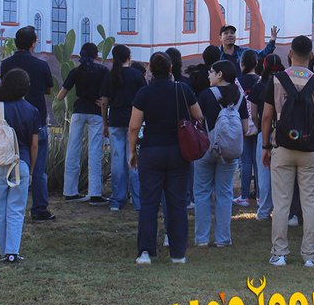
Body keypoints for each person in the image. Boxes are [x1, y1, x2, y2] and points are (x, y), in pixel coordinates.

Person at [261, 36, 314, 267]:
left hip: (282, 147)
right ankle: (310, 255)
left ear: (290, 53)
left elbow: (266, 116)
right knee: (310, 202)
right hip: (311, 148)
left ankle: (280, 253)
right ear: (311, 56)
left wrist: (265, 146)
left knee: (282, 202)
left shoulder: (276, 80)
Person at [129, 52, 203, 264]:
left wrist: (132, 152)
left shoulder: (144, 93)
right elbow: (198, 115)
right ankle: (178, 253)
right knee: (177, 202)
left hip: (151, 151)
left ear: (151, 69)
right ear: (170, 68)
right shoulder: (183, 89)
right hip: (178, 151)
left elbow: (134, 126)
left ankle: (145, 251)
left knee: (149, 202)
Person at [0, 69, 40, 264]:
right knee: (16, 209)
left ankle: (3, 251)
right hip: (21, 164)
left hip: (0, 163)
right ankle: (12, 252)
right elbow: (34, 144)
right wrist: (31, 169)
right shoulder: (32, 111)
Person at [0, 26, 56, 221]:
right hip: (37, 121)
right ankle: (39, 209)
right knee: (39, 169)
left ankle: (8, 205)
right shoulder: (41, 65)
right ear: (34, 43)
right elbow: (49, 89)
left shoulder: (6, 64)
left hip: (11, 121)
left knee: (8, 164)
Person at [194, 60, 247, 247]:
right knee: (225, 193)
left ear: (219, 75)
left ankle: (201, 238)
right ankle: (223, 239)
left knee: (202, 193)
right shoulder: (239, 97)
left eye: (211, 72)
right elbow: (245, 127)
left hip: (206, 149)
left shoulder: (205, 95)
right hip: (229, 152)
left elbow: (197, 120)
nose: (209, 75)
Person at [55, 42, 108, 205]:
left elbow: (60, 95)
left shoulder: (75, 71)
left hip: (78, 111)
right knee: (94, 152)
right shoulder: (103, 71)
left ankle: (70, 191)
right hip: (95, 113)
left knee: (72, 149)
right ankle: (95, 194)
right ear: (96, 55)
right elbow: (106, 97)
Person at [99, 44, 145, 212]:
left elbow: (104, 102)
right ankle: (137, 199)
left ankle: (117, 199)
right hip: (133, 121)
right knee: (132, 159)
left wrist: (105, 123)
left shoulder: (109, 76)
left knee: (117, 160)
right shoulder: (136, 75)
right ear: (129, 57)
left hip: (115, 120)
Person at [252, 54, 285, 221]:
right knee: (282, 175)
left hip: (264, 134)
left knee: (264, 173)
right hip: (283, 133)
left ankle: (264, 210)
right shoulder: (284, 84)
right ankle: (281, 209)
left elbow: (254, 114)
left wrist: (261, 130)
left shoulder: (259, 86)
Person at [234, 49, 261, 208]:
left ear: (241, 63)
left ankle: (244, 196)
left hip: (242, 124)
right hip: (258, 124)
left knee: (245, 162)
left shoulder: (237, 82)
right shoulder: (260, 80)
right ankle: (259, 195)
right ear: (256, 64)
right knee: (257, 162)